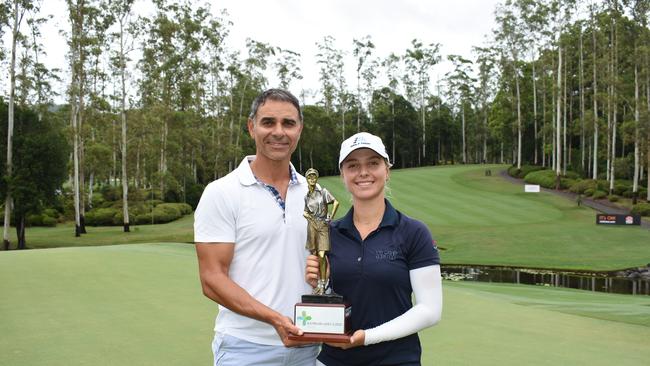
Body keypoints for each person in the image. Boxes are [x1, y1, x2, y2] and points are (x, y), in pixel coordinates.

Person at [194, 89, 318, 366]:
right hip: (245, 349)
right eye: (268, 122)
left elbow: (321, 264)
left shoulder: (315, 194)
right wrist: (274, 318)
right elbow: (212, 279)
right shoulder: (222, 192)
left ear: (299, 129)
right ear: (252, 128)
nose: (278, 132)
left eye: (288, 123)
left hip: (307, 346)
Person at [305, 132, 443, 366]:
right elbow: (327, 301)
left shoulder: (414, 232)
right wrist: (317, 282)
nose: (363, 172)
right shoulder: (328, 234)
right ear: (343, 175)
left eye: (373, 163)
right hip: (333, 360)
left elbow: (430, 310)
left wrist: (366, 338)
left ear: (387, 171)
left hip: (397, 359)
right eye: (353, 165)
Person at [303, 168, 339, 295]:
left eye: (314, 176)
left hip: (323, 224)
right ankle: (318, 285)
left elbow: (335, 202)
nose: (312, 179)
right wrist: (306, 215)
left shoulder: (323, 192)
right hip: (312, 225)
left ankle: (323, 283)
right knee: (314, 254)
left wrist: (331, 216)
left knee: (322, 255)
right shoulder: (307, 196)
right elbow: (306, 211)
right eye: (309, 177)